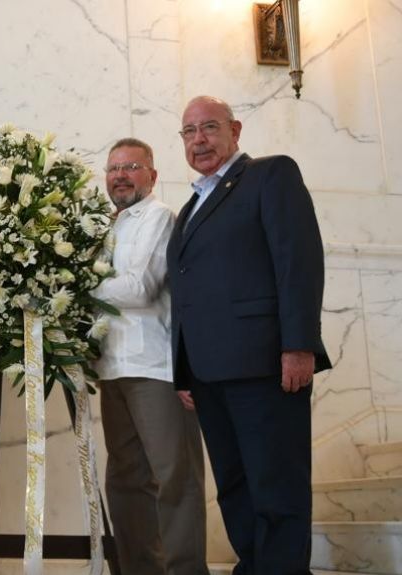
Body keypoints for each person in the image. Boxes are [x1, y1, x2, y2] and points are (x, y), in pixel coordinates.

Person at [167, 95, 331, 575]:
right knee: (235, 487)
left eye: (209, 127)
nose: (199, 140)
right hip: (208, 373)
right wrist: (183, 369)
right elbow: (187, 290)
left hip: (265, 365)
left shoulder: (270, 175)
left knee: (276, 485)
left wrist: (298, 345)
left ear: (235, 131)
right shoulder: (192, 203)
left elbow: (298, 262)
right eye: (189, 132)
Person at [92, 138, 208, 575]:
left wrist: (74, 286)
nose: (120, 175)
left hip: (155, 368)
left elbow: (140, 288)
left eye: (131, 166)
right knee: (125, 480)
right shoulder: (104, 225)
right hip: (111, 367)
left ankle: (185, 570)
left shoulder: (160, 217)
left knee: (174, 478)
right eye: (113, 168)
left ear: (152, 175)